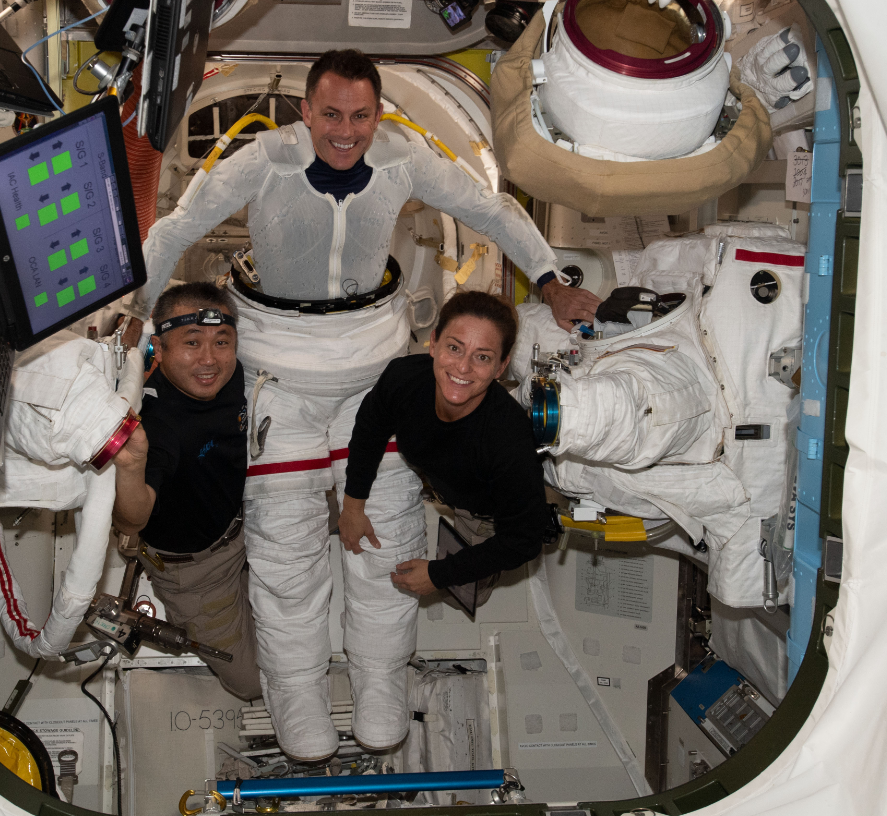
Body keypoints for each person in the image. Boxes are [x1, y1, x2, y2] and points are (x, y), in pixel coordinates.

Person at [121, 49, 598, 760]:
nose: (345, 131)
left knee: (386, 544)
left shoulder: (403, 159)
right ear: (306, 110)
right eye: (331, 114)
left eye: (361, 115)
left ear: (379, 114)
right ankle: (297, 697)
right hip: (278, 374)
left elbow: (488, 209)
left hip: (373, 372)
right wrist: (130, 315)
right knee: (286, 559)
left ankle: (381, 685)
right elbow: (175, 229)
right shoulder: (264, 159)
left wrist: (552, 281)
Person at [340, 292, 556, 610]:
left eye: (482, 357)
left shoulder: (507, 441)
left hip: (482, 509)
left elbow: (524, 540)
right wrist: (353, 507)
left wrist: (439, 574)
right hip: (438, 467)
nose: (463, 367)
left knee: (461, 598)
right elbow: (370, 430)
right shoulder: (404, 379)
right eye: (454, 348)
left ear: (501, 366)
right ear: (434, 343)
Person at [110, 282, 261, 701]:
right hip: (197, 572)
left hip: (243, 516)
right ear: (159, 348)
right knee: (252, 684)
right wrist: (132, 463)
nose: (209, 359)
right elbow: (131, 517)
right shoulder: (158, 427)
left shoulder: (231, 373)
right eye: (191, 343)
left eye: (221, 342)